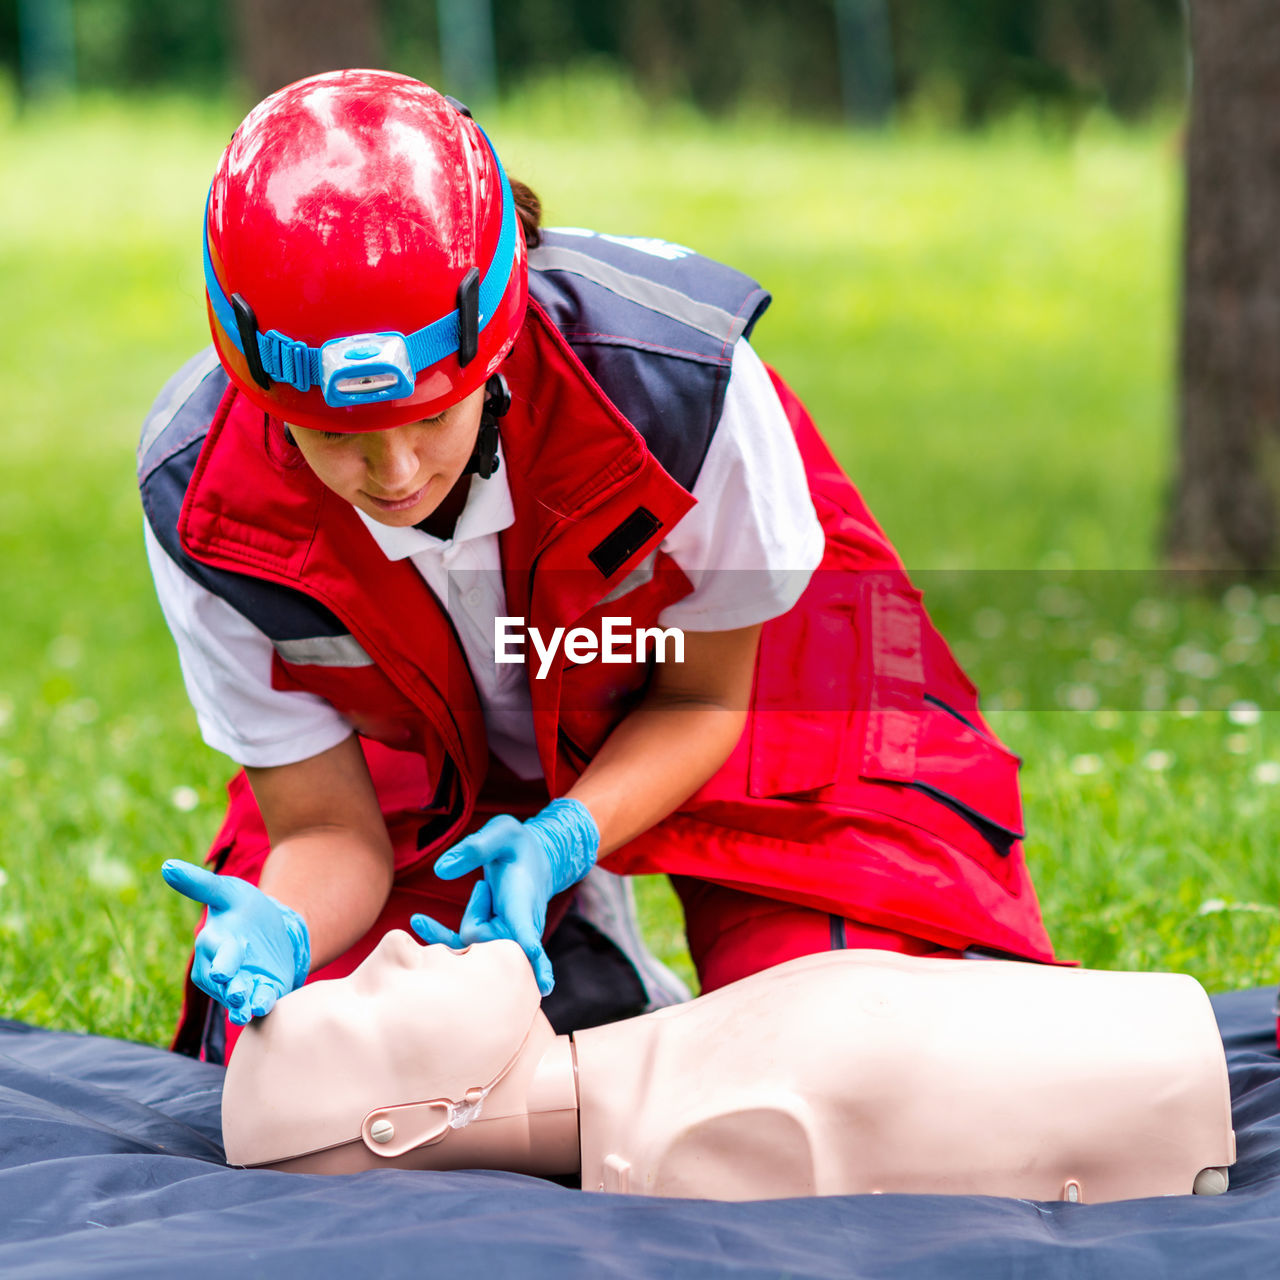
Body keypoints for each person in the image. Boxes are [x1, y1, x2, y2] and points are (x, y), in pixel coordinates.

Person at [140, 69, 1054, 1063]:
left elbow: (706, 700)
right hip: (422, 750)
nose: (393, 472)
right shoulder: (201, 496)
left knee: (855, 1054)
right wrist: (289, 926)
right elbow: (328, 829)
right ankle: (584, 970)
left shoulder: (678, 384)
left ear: (494, 340)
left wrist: (564, 833)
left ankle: (611, 926)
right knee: (315, 1060)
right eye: (333, 434)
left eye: (431, 416)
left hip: (750, 696)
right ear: (258, 387)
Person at [221, 932, 1234, 1203]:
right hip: (1175, 1107)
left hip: (1169, 1049)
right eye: (358, 1001)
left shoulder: (671, 1063)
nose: (391, 949)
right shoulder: (704, 1137)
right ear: (398, 1124)